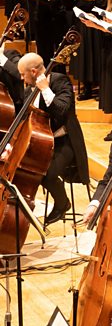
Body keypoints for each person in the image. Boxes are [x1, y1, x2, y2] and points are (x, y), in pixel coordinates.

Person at [0, 54, 89, 223]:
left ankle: (63, 204)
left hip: (64, 141)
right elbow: (23, 120)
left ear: (33, 71)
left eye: (22, 74)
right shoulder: (28, 91)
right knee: (24, 169)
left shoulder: (60, 81)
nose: (20, 78)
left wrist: (46, 90)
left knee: (45, 175)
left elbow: (62, 112)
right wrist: (11, 145)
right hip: (41, 142)